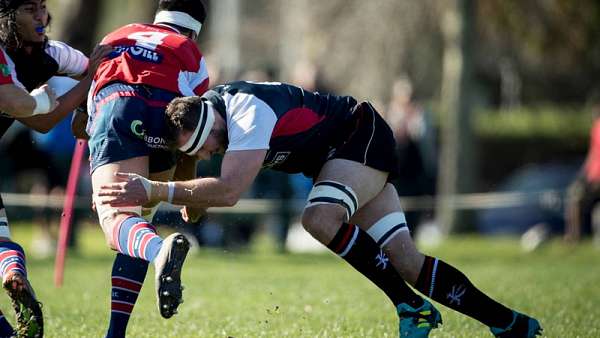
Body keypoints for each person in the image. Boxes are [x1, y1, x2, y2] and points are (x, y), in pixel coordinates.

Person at [98, 81, 543, 338]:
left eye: (212, 143)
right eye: (206, 150)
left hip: (359, 137)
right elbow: (199, 202)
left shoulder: (245, 114)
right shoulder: (209, 117)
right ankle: (510, 324)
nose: (214, 150)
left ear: (212, 122)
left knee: (319, 219)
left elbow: (229, 191)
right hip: (340, 156)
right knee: (407, 261)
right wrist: (184, 180)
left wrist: (154, 189)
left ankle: (411, 308)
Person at [84, 1, 209, 336]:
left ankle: (159, 250)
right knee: (139, 222)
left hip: (120, 103)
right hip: (165, 113)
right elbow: (192, 134)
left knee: (119, 220)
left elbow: (81, 119)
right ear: (194, 32)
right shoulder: (190, 52)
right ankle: (115, 332)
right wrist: (191, 200)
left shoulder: (117, 34)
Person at [0, 0, 110, 336]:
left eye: (42, 7)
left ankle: (11, 275)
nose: (40, 16)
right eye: (28, 9)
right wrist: (77, 89)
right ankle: (10, 274)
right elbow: (32, 112)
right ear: (6, 16)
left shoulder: (53, 53)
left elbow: (98, 68)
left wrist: (87, 101)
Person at [565, 104, 600, 243]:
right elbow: (593, 154)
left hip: (597, 179)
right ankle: (574, 237)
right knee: (574, 198)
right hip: (591, 177)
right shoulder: (596, 127)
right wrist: (583, 173)